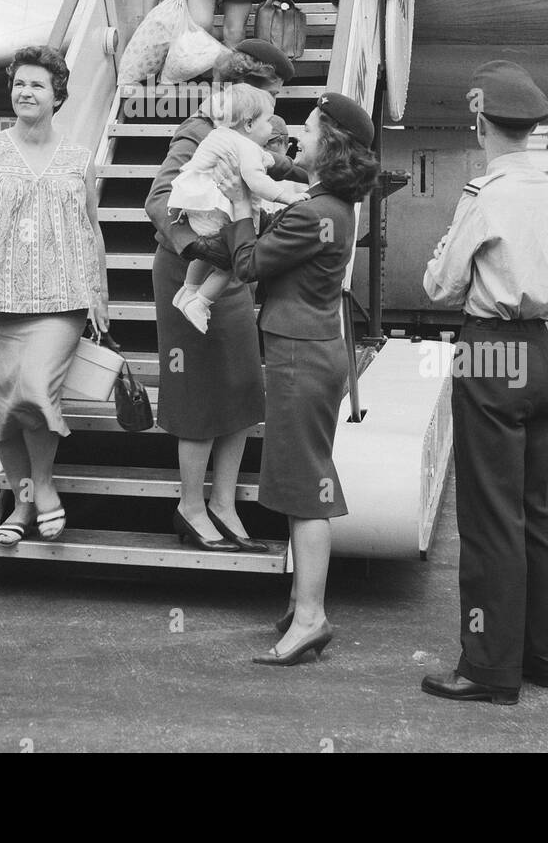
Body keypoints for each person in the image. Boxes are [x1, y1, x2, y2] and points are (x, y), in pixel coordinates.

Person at [419, 60, 548, 705]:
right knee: (540, 512)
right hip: (542, 351)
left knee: (488, 518)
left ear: (481, 121)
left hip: (491, 352)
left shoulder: (487, 196)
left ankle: (488, 666)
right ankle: (542, 655)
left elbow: (441, 285)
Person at [216, 92, 379, 665]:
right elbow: (289, 178)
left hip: (299, 358)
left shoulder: (314, 213)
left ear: (330, 143)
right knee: (300, 479)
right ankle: (299, 602)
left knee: (304, 488)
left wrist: (238, 201)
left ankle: (311, 617)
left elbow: (248, 265)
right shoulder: (331, 204)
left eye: (307, 130)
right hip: (312, 351)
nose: (295, 137)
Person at [0, 45, 109, 545]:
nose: (25, 92)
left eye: (37, 84)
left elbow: (91, 230)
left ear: (58, 96)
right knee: (1, 407)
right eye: (19, 84)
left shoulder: (79, 160)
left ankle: (46, 489)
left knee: (33, 391)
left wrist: (99, 292)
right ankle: (22, 501)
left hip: (60, 303)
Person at [145, 39, 305, 553]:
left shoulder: (253, 131)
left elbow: (267, 173)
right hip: (187, 273)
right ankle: (191, 506)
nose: (276, 105)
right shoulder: (201, 131)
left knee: (239, 387)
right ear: (247, 88)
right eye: (271, 92)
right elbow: (160, 196)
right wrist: (201, 248)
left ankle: (224, 502)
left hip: (231, 272)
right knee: (197, 392)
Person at [168, 83, 310, 332]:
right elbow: (257, 180)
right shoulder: (246, 147)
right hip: (216, 212)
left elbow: (264, 159)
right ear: (249, 124)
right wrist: (287, 197)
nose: (271, 127)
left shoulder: (220, 135)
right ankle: (200, 303)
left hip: (196, 208)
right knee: (229, 265)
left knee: (206, 256)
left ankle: (187, 290)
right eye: (268, 121)